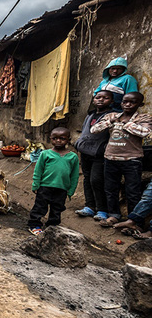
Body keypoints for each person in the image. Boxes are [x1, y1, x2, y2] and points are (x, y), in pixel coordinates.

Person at [92, 92, 152, 227]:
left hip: (132, 159)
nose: (128, 104)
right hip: (110, 157)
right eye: (125, 102)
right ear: (121, 103)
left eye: (132, 102)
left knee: (132, 191)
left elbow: (145, 133)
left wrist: (128, 124)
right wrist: (110, 122)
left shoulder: (143, 118)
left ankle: (134, 221)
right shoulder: (112, 116)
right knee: (110, 189)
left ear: (140, 104)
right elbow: (94, 129)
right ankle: (114, 215)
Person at [28, 127, 79, 235]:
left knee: (57, 209)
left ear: (68, 140)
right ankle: (34, 225)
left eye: (62, 138)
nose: (58, 141)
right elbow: (38, 170)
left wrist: (71, 190)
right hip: (45, 186)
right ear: (50, 139)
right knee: (40, 206)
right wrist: (36, 184)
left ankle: (52, 226)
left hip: (62, 188)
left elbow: (74, 175)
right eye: (55, 138)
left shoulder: (73, 157)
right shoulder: (45, 154)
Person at [74, 90, 113, 220]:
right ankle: (90, 206)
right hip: (85, 152)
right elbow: (85, 131)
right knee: (87, 179)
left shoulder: (112, 116)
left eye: (105, 98)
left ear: (112, 101)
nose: (101, 100)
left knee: (96, 180)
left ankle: (102, 209)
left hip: (99, 154)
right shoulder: (90, 115)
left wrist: (104, 149)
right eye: (98, 97)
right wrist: (79, 143)